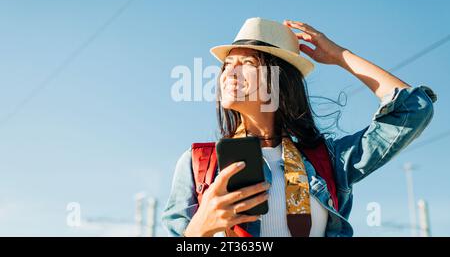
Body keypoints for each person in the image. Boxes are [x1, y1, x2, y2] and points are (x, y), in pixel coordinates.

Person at [161, 17, 437, 237]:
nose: (229, 74)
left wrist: (340, 55)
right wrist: (199, 230)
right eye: (227, 65)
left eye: (246, 63)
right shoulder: (199, 163)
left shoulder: (328, 160)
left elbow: (413, 111)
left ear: (279, 81)